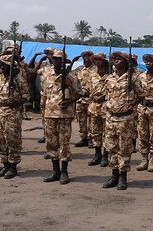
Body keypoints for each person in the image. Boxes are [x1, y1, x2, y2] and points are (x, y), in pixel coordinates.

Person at [101, 51, 144, 190]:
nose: (117, 61)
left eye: (120, 59)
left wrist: (134, 102)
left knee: (124, 148)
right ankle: (114, 175)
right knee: (111, 147)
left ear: (126, 62)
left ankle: (123, 177)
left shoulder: (133, 78)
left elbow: (142, 95)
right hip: (111, 118)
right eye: (115, 59)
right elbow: (104, 94)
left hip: (125, 118)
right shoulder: (109, 78)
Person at [39, 49, 82, 185]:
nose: (57, 61)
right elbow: (44, 93)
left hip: (64, 115)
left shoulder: (70, 75)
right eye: (55, 59)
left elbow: (80, 92)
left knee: (64, 144)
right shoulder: (46, 73)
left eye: (59, 59)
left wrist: (69, 101)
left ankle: (64, 172)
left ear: (63, 61)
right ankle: (55, 171)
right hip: (50, 114)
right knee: (51, 143)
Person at [0, 54, 29, 179]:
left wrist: (16, 103)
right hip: (0, 111)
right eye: (1, 64)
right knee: (0, 139)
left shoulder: (19, 79)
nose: (1, 67)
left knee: (12, 139)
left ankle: (13, 166)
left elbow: (26, 96)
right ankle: (5, 164)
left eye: (4, 65)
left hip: (13, 113)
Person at [135, 54, 153, 172]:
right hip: (142, 108)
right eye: (146, 61)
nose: (148, 63)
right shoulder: (140, 76)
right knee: (142, 135)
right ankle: (144, 159)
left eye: (150, 61)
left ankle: (152, 159)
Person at [86, 53, 110, 167]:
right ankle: (97, 155)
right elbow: (87, 89)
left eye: (99, 60)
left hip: (106, 106)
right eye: (95, 60)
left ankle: (105, 156)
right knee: (95, 132)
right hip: (94, 106)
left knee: (107, 132)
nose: (97, 62)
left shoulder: (111, 75)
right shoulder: (91, 74)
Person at [71, 50, 95, 147]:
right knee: (81, 120)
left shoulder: (96, 69)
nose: (87, 58)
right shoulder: (79, 69)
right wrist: (72, 62)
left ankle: (91, 139)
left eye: (89, 56)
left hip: (91, 99)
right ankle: (83, 138)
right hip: (80, 100)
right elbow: (68, 74)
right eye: (84, 56)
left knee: (91, 121)